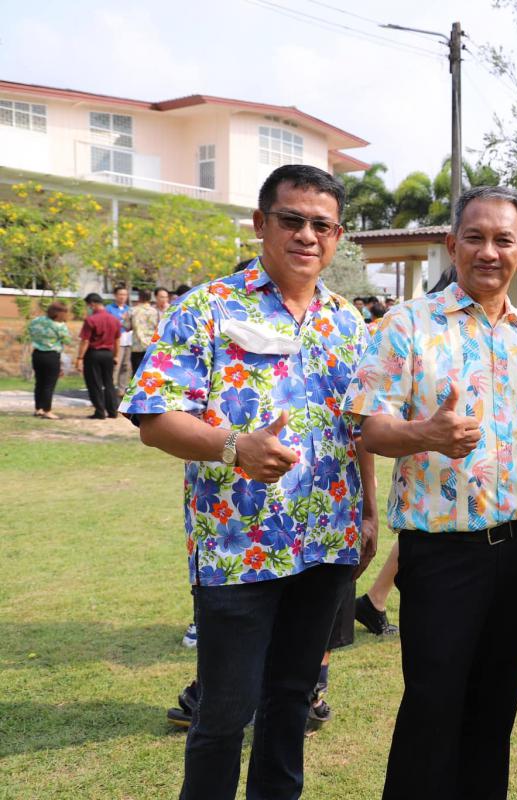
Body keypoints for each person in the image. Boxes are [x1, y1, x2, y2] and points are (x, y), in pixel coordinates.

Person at [119, 164, 378, 800]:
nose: (307, 235)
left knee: (292, 701)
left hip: (326, 543)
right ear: (261, 223)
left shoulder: (348, 322)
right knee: (225, 713)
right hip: (239, 549)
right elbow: (154, 417)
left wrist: (369, 512)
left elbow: (360, 424)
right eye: (292, 220)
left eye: (322, 225)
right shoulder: (208, 307)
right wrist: (234, 447)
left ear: (337, 237)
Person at [343, 185, 517, 800]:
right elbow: (367, 427)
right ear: (452, 244)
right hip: (442, 554)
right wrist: (426, 434)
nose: (488, 251)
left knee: (495, 710)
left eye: (503, 240)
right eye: (475, 237)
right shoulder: (405, 325)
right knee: (432, 708)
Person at [74, 292, 121, 420]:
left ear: (92, 304)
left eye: (88, 306)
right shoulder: (114, 319)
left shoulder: (90, 320)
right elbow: (117, 340)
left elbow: (85, 341)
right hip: (108, 354)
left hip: (94, 353)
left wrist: (79, 358)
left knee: (95, 383)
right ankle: (112, 411)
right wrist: (116, 355)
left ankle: (100, 411)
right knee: (109, 382)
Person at [27, 300, 73, 420]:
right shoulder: (59, 325)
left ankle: (38, 409)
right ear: (59, 313)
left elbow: (30, 332)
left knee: (39, 383)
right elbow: (67, 340)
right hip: (51, 355)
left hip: (37, 354)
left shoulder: (36, 321)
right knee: (49, 384)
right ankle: (47, 410)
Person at [125, 287, 169, 374]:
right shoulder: (155, 311)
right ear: (150, 298)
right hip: (151, 345)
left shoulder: (132, 310)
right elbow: (159, 327)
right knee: (150, 373)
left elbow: (127, 327)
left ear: (139, 297)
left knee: (137, 373)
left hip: (137, 347)